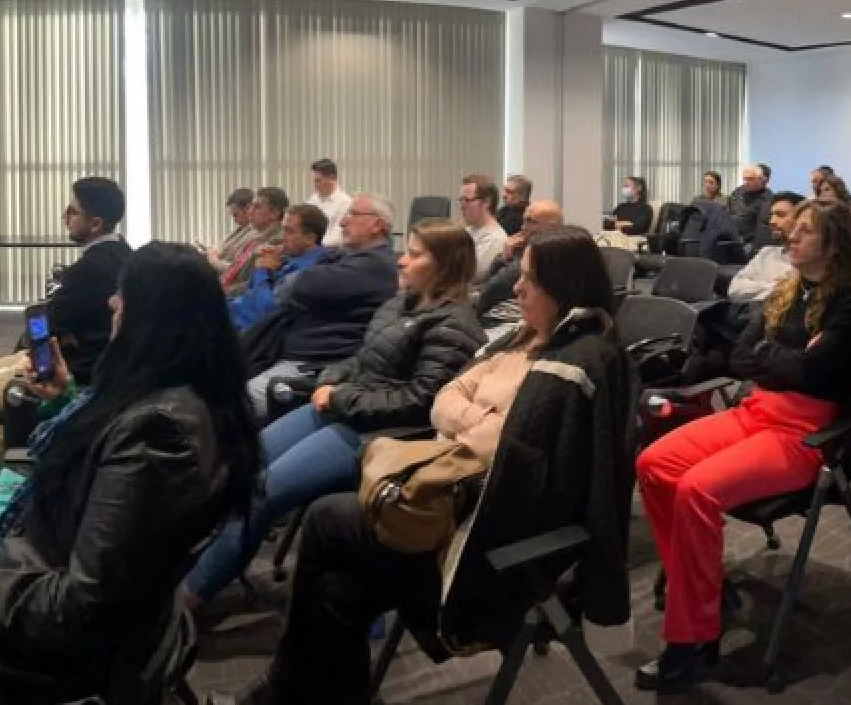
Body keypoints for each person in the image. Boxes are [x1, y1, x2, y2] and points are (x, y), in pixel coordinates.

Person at [215, 226, 635, 705]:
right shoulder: (523, 339)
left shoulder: (572, 363)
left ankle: (282, 687)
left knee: (325, 519)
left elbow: (498, 446)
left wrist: (469, 418)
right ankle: (302, 689)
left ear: (565, 287)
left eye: (530, 280)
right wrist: (479, 417)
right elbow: (445, 398)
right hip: (457, 497)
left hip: (490, 544)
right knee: (337, 591)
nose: (516, 288)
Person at [0, 243, 260, 705]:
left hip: (47, 629)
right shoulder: (189, 398)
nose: (112, 303)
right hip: (55, 582)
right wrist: (64, 399)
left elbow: (87, 603)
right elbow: (108, 479)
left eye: (124, 296)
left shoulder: (158, 435)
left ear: (152, 316)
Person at [184, 219, 483, 608]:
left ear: (445, 265)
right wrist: (333, 379)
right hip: (348, 406)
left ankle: (190, 597)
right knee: (242, 461)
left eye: (414, 255)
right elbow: (364, 358)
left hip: (380, 433)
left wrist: (341, 398)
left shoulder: (456, 324)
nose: (402, 261)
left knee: (263, 492)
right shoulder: (400, 303)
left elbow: (422, 400)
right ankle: (190, 564)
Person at [635, 200, 851, 691]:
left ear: (831, 245)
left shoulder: (848, 302)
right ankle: (707, 587)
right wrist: (784, 358)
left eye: (805, 231)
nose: (791, 237)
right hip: (755, 410)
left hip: (802, 433)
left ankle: (692, 639)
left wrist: (775, 358)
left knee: (696, 490)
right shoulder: (785, 290)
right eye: (793, 229)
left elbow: (816, 373)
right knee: (653, 463)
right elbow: (740, 357)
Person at [0, 178, 130, 490]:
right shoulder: (121, 252)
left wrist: (43, 330)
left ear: (95, 223)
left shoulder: (91, 269)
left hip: (64, 368)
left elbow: (46, 322)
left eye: (72, 211)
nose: (65, 217)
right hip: (72, 354)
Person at [243, 194, 398, 420]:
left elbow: (293, 288)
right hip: (284, 351)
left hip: (313, 365)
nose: (342, 222)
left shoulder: (374, 265)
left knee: (241, 401)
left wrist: (284, 277)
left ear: (377, 225)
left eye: (353, 215)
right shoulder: (345, 256)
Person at [228, 203, 327, 331]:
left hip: (246, 328)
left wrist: (262, 270)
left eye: (289, 231)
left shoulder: (310, 271)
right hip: (235, 310)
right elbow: (249, 290)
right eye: (283, 230)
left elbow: (265, 310)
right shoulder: (287, 258)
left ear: (310, 238)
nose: (282, 237)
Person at [478, 200, 563, 318]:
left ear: (552, 228)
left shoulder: (537, 258)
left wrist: (506, 259)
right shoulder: (523, 250)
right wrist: (505, 256)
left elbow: (491, 289)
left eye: (531, 222)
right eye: (524, 221)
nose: (523, 227)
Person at [726, 192, 804, 303]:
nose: (772, 221)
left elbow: (796, 295)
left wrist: (758, 286)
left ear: (800, 220)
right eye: (771, 215)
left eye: (780, 215)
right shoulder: (766, 253)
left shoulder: (808, 260)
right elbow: (734, 289)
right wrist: (777, 286)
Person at [220, 187, 288, 294]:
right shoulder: (255, 238)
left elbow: (256, 284)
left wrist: (221, 291)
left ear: (274, 213)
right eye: (251, 206)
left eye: (257, 207)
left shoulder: (277, 243)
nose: (250, 212)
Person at [458, 172, 506, 281]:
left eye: (467, 200)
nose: (462, 206)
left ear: (486, 202)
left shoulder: (495, 239)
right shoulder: (469, 229)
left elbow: (469, 276)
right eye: (461, 200)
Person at [206, 188, 256, 273]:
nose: (234, 220)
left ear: (248, 209)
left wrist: (214, 261)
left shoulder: (255, 235)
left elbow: (238, 269)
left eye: (236, 215)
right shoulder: (241, 230)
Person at [307, 158, 352, 248]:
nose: (315, 185)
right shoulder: (313, 199)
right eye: (314, 181)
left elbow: (338, 237)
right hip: (310, 248)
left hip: (329, 251)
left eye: (318, 181)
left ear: (331, 178)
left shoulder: (345, 202)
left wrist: (313, 246)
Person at [728, 164, 772, 248]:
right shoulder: (737, 192)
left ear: (760, 180)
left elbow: (762, 227)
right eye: (744, 179)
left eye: (750, 179)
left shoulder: (768, 198)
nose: (746, 182)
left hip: (750, 243)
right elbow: (728, 214)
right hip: (732, 238)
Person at [817, 175, 851, 250]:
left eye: (827, 190)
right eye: (820, 191)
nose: (823, 194)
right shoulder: (819, 215)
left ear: (838, 191)